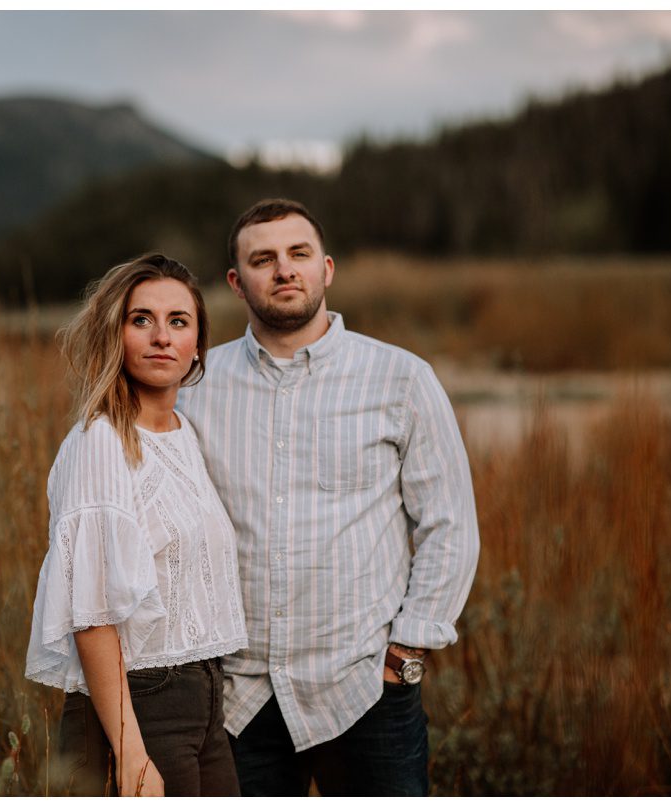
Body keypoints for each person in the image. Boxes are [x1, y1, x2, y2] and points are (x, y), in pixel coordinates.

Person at [177, 199, 480, 796]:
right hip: (241, 699)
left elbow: (449, 524)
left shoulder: (401, 378)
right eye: (263, 259)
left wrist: (407, 653)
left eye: (299, 254)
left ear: (327, 269)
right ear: (237, 283)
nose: (283, 270)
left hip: (365, 689)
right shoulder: (196, 387)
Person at [25, 253, 248, 797]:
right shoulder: (100, 440)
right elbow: (93, 613)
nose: (161, 337)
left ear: (198, 344)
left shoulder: (184, 433)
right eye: (140, 319)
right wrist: (129, 751)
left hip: (205, 707)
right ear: (115, 334)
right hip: (139, 709)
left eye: (178, 322)